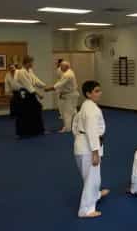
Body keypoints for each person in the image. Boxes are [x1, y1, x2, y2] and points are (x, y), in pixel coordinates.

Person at [72, 80, 109, 218]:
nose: (99, 93)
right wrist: (95, 152)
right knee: (90, 179)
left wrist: (78, 137)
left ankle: (96, 194)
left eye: (100, 90)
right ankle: (86, 210)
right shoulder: (92, 109)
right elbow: (92, 131)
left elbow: (75, 125)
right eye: (96, 91)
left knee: (92, 177)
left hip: (81, 145)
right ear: (88, 94)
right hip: (88, 148)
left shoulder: (85, 106)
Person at [13, 55, 46, 138]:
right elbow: (27, 85)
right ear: (26, 63)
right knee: (23, 113)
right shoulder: (21, 72)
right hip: (24, 94)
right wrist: (38, 93)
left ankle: (36, 130)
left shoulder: (30, 71)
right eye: (31, 62)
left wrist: (44, 85)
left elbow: (35, 80)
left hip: (31, 93)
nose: (32, 64)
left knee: (35, 111)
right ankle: (21, 132)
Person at [46, 61, 79, 133]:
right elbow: (62, 84)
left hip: (70, 95)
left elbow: (59, 84)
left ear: (66, 67)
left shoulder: (67, 75)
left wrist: (49, 89)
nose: (60, 68)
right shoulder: (70, 72)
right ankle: (77, 125)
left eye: (61, 66)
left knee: (66, 112)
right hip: (71, 94)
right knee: (73, 111)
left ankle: (67, 128)